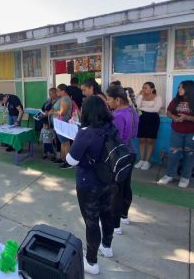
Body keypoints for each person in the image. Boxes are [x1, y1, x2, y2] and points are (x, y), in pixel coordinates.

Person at [65, 96, 115, 275]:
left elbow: (71, 160)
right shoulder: (110, 127)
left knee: (92, 222)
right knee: (107, 213)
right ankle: (107, 246)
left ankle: (92, 262)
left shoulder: (86, 132)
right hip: (109, 180)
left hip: (89, 183)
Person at [106, 85, 139, 232]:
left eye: (109, 99)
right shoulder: (133, 111)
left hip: (119, 156)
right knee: (126, 186)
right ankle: (124, 216)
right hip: (131, 152)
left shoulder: (118, 115)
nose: (107, 102)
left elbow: (116, 138)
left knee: (116, 190)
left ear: (118, 100)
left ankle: (115, 225)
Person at [158, 80, 194, 188]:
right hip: (176, 132)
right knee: (174, 153)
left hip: (191, 133)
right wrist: (174, 117)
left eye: (181, 87)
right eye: (179, 87)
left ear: (189, 89)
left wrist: (186, 117)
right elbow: (168, 112)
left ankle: (185, 177)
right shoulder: (176, 100)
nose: (179, 89)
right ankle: (169, 175)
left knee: (190, 154)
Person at [135, 82, 162, 170]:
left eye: (146, 88)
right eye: (143, 87)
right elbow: (136, 106)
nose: (143, 89)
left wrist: (141, 109)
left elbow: (156, 109)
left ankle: (147, 161)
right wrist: (139, 95)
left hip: (153, 119)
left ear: (152, 89)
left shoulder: (157, 97)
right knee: (142, 140)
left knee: (150, 140)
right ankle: (142, 160)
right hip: (142, 119)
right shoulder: (141, 96)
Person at [50, 84, 72, 168]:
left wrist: (52, 112)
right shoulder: (62, 99)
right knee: (63, 142)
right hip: (59, 124)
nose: (57, 92)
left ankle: (69, 162)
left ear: (63, 91)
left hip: (63, 123)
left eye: (58, 90)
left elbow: (62, 113)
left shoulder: (65, 99)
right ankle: (63, 159)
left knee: (66, 143)